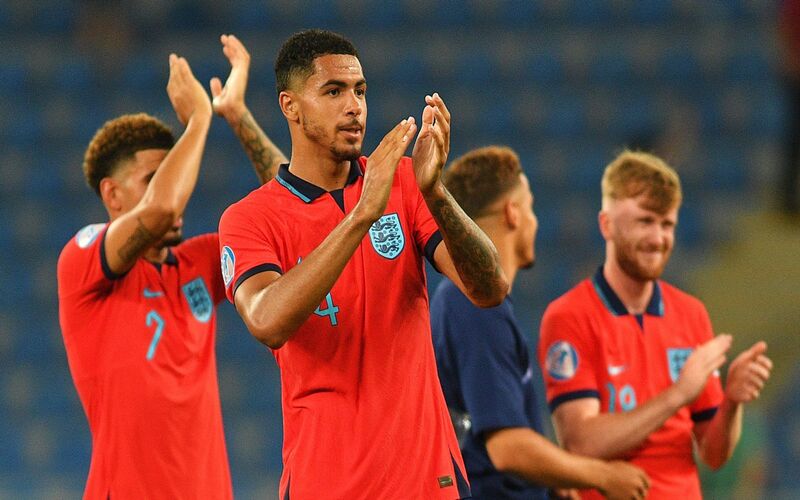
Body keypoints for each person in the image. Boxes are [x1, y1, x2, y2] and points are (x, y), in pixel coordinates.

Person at [218, 29, 509, 499]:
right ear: (290, 106)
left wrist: (435, 192)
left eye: (360, 91)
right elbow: (267, 320)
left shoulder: (404, 183)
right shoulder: (249, 219)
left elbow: (490, 288)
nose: (354, 106)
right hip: (325, 485)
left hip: (427, 481)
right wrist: (361, 216)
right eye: (334, 92)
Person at [57, 35, 286, 499]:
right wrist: (198, 119)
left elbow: (291, 210)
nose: (177, 189)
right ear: (111, 194)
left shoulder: (199, 262)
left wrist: (236, 116)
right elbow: (161, 209)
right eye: (154, 178)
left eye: (174, 173)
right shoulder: (82, 257)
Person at [538, 150, 773, 499]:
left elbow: (713, 455)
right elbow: (581, 443)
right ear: (606, 224)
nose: (658, 238)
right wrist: (678, 394)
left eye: (667, 225)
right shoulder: (569, 316)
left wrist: (731, 403)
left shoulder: (691, 313)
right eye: (645, 221)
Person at [431, 146, 651, 500]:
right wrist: (603, 475)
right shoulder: (475, 304)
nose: (535, 221)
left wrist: (555, 475)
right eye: (530, 207)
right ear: (512, 212)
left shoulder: (466, 301)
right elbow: (507, 447)